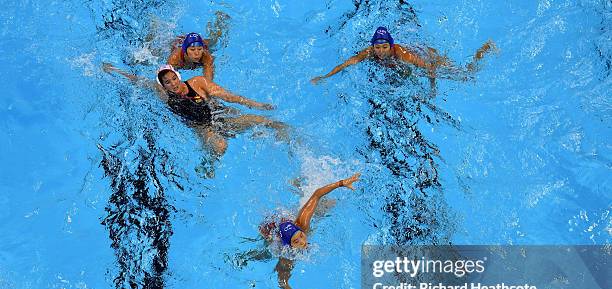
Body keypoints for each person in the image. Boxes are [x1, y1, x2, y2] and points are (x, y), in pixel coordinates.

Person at [102, 63, 287, 156]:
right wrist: (115, 71)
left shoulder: (198, 83)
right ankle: (210, 162)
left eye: (173, 78)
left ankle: (285, 137)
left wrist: (258, 105)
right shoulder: (164, 95)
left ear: (177, 75)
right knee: (220, 147)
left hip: (218, 117)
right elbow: (139, 81)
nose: (172, 84)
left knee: (262, 121)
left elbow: (229, 96)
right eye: (167, 82)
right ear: (163, 85)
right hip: (202, 128)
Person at [258, 173, 360, 289]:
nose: (303, 242)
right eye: (296, 241)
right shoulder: (286, 257)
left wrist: (342, 183)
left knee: (328, 204)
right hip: (271, 230)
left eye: (300, 236)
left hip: (287, 222)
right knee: (266, 252)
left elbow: (317, 194)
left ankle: (297, 184)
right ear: (289, 245)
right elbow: (282, 282)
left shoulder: (302, 223)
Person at [311, 26, 496, 93]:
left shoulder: (401, 53)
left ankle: (484, 49)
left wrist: (432, 90)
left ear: (391, 46)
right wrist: (324, 77)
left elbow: (430, 68)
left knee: (466, 75)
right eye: (378, 47)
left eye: (385, 47)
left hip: (429, 57)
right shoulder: (369, 53)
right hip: (410, 63)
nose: (381, 51)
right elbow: (347, 63)